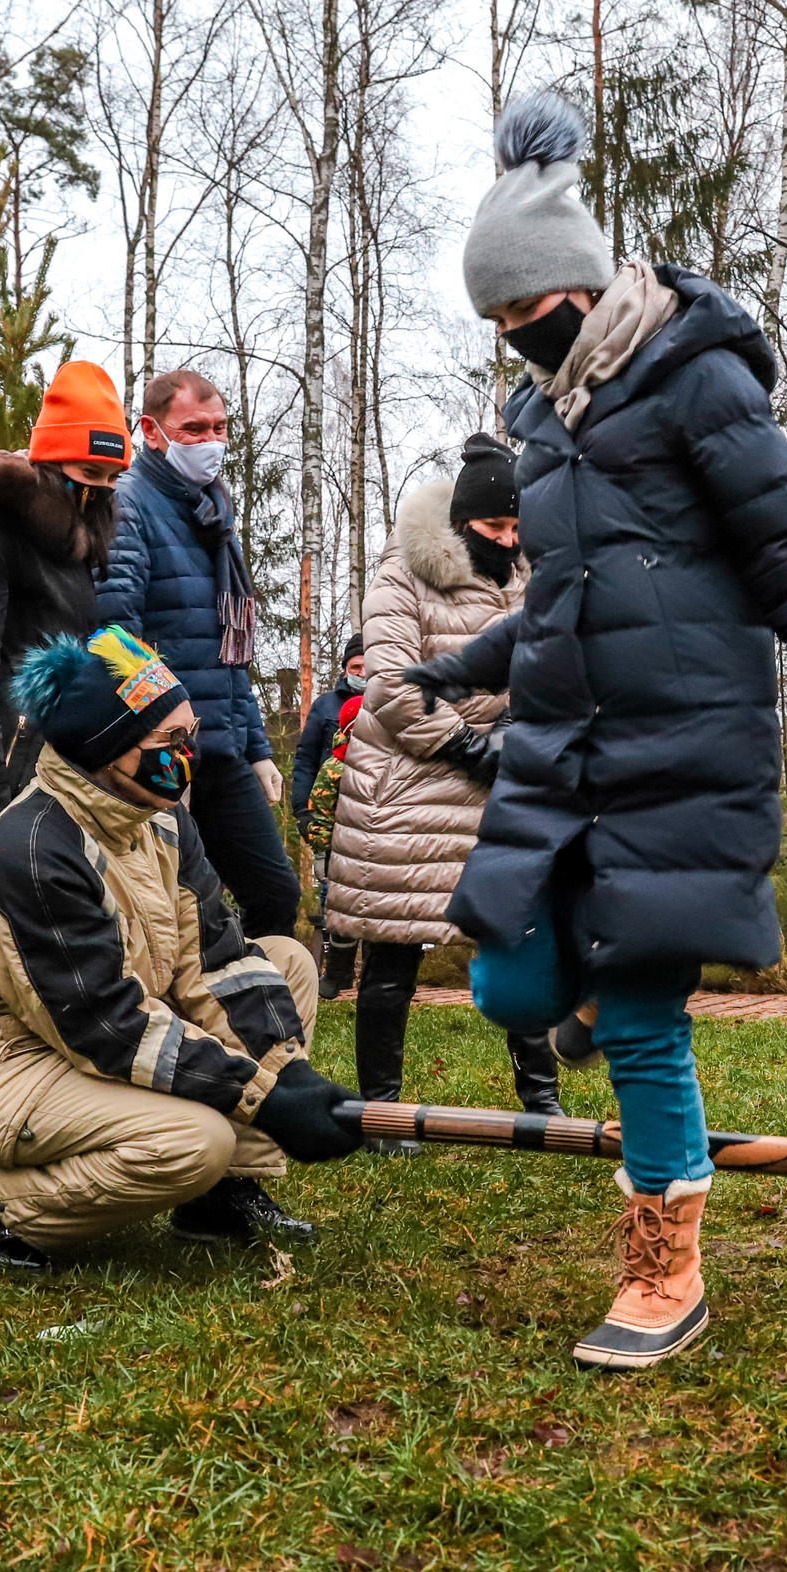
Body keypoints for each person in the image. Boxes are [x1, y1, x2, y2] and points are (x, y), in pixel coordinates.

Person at [406, 95, 787, 1371]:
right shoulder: (539, 426)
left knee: (643, 1020)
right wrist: (467, 666)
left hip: (683, 741)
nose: (514, 341)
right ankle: (594, 1003)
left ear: (578, 290)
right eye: (492, 325)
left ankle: (665, 1269)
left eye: (522, 314)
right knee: (508, 982)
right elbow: (563, 596)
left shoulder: (697, 376)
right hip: (561, 750)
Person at [0, 627, 364, 1272]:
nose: (187, 755)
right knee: (192, 1140)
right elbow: (105, 1025)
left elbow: (215, 960)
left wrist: (286, 1073)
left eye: (190, 735)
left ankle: (221, 1195)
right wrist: (261, 1097)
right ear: (106, 747)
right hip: (4, 1056)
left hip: (101, 1024)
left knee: (282, 961)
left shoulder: (160, 817)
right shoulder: (35, 850)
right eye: (168, 742)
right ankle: (2, 1204)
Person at [326, 438, 558, 1113]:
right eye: (494, 528)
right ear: (461, 523)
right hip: (409, 779)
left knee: (520, 937)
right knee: (394, 948)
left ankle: (541, 1099)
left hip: (502, 777)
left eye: (517, 528)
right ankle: (385, 1106)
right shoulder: (403, 573)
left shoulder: (527, 575)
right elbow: (392, 686)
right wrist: (468, 747)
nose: (508, 540)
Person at [0, 360, 129, 920]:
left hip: (60, 767)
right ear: (53, 459)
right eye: (90, 471)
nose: (99, 490)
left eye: (111, 478)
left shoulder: (74, 547)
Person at [95, 370, 300, 938]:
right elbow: (117, 638)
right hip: (166, 752)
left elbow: (229, 655)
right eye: (193, 429)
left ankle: (258, 1019)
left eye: (220, 428)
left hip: (225, 749)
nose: (211, 441)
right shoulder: (129, 506)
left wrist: (257, 748)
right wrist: (152, 741)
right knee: (174, 913)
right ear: (151, 431)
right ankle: (180, 1022)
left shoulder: (215, 517)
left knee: (275, 894)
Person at [292, 633, 367, 997]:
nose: (362, 673)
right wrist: (303, 811)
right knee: (334, 901)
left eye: (369, 667)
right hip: (332, 821)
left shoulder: (391, 702)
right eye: (356, 667)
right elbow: (306, 760)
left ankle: (378, 977)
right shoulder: (324, 707)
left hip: (377, 824)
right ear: (345, 669)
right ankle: (335, 975)